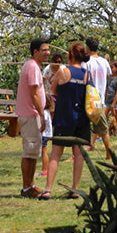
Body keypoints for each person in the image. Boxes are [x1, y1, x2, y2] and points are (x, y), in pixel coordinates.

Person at [45, 41, 91, 200]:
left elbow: (53, 90)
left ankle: (48, 189)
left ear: (70, 55)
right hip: (82, 119)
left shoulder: (63, 71)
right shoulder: (86, 74)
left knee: (56, 154)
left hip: (64, 118)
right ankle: (75, 189)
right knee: (78, 155)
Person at [16, 38, 50, 199]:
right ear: (35, 51)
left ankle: (30, 185)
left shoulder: (34, 67)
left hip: (32, 114)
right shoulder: (32, 67)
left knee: (33, 152)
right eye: (44, 50)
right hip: (30, 115)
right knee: (29, 152)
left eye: (48, 49)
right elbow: (34, 93)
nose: (47, 53)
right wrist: (42, 114)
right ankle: (26, 187)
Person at [84, 37, 113, 153]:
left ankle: (78, 154)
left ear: (87, 47)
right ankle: (109, 154)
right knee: (103, 129)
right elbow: (108, 76)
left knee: (83, 127)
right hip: (99, 100)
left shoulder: (86, 62)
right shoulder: (104, 62)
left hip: (87, 100)